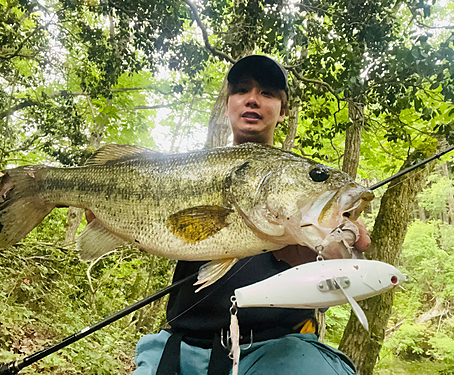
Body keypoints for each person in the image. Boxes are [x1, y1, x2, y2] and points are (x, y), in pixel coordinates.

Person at [133, 55, 370, 375]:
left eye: (268, 93)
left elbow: (346, 282)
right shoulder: (188, 169)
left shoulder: (306, 190)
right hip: (183, 346)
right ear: (228, 103)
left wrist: (327, 255)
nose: (253, 100)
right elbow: (154, 230)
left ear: (283, 110)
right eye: (242, 90)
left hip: (281, 350)